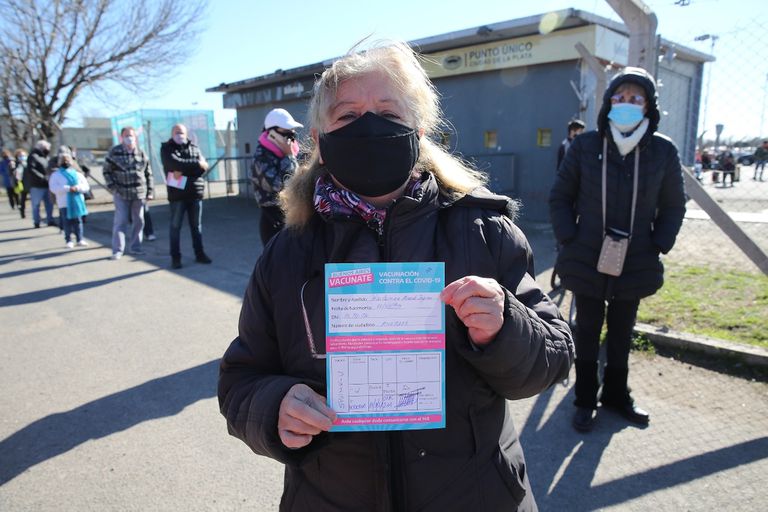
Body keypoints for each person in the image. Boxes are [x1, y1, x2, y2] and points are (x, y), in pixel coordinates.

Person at [218, 42, 574, 512]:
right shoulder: (287, 254)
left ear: (419, 132)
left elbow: (554, 355)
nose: (368, 126)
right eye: (347, 116)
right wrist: (272, 406)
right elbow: (240, 380)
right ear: (319, 142)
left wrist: (506, 326)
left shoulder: (482, 231)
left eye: (387, 111)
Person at [549, 66, 686, 433]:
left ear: (648, 106)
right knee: (587, 328)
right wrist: (569, 239)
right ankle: (585, 398)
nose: (626, 104)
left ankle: (616, 395)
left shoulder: (662, 151)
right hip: (587, 253)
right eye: (619, 97)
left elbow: (674, 205)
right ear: (609, 103)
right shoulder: (586, 146)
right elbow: (561, 197)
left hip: (637, 256)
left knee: (623, 330)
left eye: (635, 98)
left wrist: (659, 242)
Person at [160, 123, 211, 269]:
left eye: (182, 132)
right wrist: (195, 165)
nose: (179, 135)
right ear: (172, 134)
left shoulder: (194, 148)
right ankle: (176, 258)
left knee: (196, 227)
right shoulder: (166, 148)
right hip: (177, 196)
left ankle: (199, 254)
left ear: (186, 133)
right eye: (176, 132)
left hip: (195, 193)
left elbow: (203, 168)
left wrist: (183, 170)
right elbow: (173, 164)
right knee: (175, 227)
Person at [251, 108, 303, 246]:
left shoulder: (289, 152)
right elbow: (284, 186)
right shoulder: (261, 156)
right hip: (272, 217)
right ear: (272, 133)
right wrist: (289, 157)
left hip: (290, 214)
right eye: (286, 132)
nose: (290, 137)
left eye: (292, 132)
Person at [103, 126, 154, 260]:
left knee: (139, 221)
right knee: (121, 221)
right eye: (126, 135)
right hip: (121, 194)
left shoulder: (141, 153)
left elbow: (148, 173)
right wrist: (113, 188)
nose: (129, 138)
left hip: (139, 194)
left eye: (131, 135)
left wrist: (150, 191)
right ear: (122, 137)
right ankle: (117, 250)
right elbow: (106, 171)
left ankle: (136, 247)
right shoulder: (114, 152)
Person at [48, 146, 89, 248]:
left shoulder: (77, 174)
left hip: (77, 201)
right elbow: (53, 188)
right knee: (66, 222)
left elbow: (86, 186)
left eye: (67, 160)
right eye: (64, 161)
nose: (66, 162)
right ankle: (68, 240)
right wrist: (67, 188)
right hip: (64, 202)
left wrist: (77, 188)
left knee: (78, 221)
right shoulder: (56, 175)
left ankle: (80, 239)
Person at [25, 140, 55, 228]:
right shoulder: (33, 156)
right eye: (47, 148)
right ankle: (37, 221)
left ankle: (50, 220)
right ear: (42, 148)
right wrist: (42, 177)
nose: (48, 150)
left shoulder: (45, 157)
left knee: (49, 204)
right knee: (36, 205)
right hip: (36, 185)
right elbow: (31, 169)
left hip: (47, 184)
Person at [13, 149, 28, 219]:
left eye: (23, 155)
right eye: (20, 155)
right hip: (21, 183)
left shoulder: (27, 162)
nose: (22, 157)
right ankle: (22, 212)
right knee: (23, 198)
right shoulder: (15, 163)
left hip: (29, 182)